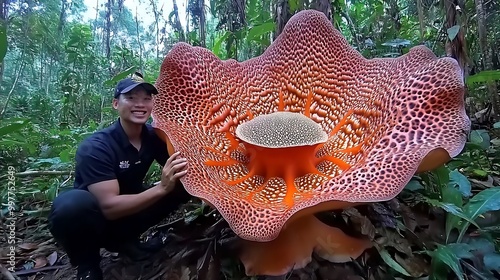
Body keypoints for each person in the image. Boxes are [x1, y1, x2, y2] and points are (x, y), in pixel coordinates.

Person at [47, 73, 191, 280]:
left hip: (130, 211)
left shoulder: (153, 137)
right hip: (95, 218)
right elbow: (109, 207)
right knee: (71, 205)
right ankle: (87, 264)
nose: (140, 104)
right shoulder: (97, 147)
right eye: (131, 98)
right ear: (116, 103)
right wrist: (161, 188)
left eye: (146, 99)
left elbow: (187, 162)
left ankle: (127, 243)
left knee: (184, 181)